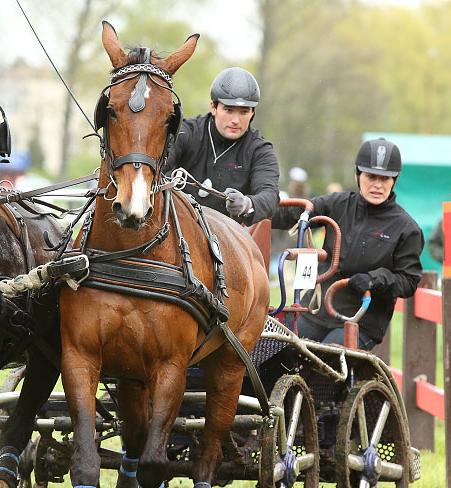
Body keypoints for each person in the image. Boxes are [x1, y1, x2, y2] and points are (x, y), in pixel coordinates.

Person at [267, 137, 424, 350]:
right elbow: (294, 214)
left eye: (384, 179)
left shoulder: (406, 228)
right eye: (371, 176)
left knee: (326, 364)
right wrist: (253, 209)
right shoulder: (337, 204)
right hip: (315, 311)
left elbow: (409, 280)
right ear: (358, 175)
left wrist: (374, 279)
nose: (377, 185)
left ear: (394, 180)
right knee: (272, 347)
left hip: (360, 321)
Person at [163, 67, 280, 225]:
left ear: (252, 113)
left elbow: (270, 196)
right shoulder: (186, 132)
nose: (236, 120)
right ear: (213, 107)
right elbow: (157, 166)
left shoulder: (260, 150)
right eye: (229, 110)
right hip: (179, 226)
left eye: (244, 112)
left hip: (232, 235)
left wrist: (247, 204)